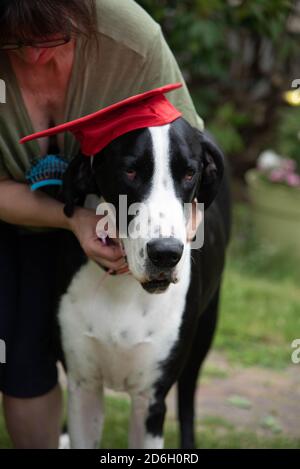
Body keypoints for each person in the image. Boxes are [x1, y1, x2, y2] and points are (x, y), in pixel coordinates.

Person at [0, 0, 203, 448]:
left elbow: (188, 157)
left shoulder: (131, 37)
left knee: (36, 363)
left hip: (110, 212)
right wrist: (73, 220)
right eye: (16, 42)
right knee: (18, 357)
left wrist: (168, 241)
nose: (35, 55)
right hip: (16, 215)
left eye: (52, 38)